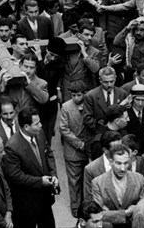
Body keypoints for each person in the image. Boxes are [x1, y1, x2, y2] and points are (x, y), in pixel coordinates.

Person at [3, 107, 57, 228]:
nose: (41, 125)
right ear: (26, 127)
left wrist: (54, 175)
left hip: (45, 199)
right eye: (37, 123)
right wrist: (40, 181)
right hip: (26, 203)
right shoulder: (12, 147)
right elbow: (15, 176)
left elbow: (48, 153)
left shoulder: (40, 133)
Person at [91, 143, 144, 228]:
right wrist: (126, 213)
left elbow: (143, 208)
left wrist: (111, 214)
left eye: (126, 163)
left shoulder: (139, 179)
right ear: (110, 161)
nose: (123, 168)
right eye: (118, 163)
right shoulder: (98, 182)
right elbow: (100, 214)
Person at [59, 85, 91, 218]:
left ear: (85, 93)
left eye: (79, 95)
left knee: (88, 179)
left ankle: (87, 207)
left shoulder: (90, 103)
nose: (76, 98)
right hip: (73, 149)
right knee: (74, 181)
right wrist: (80, 144)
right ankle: (76, 208)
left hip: (89, 149)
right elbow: (63, 129)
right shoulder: (66, 106)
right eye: (73, 95)